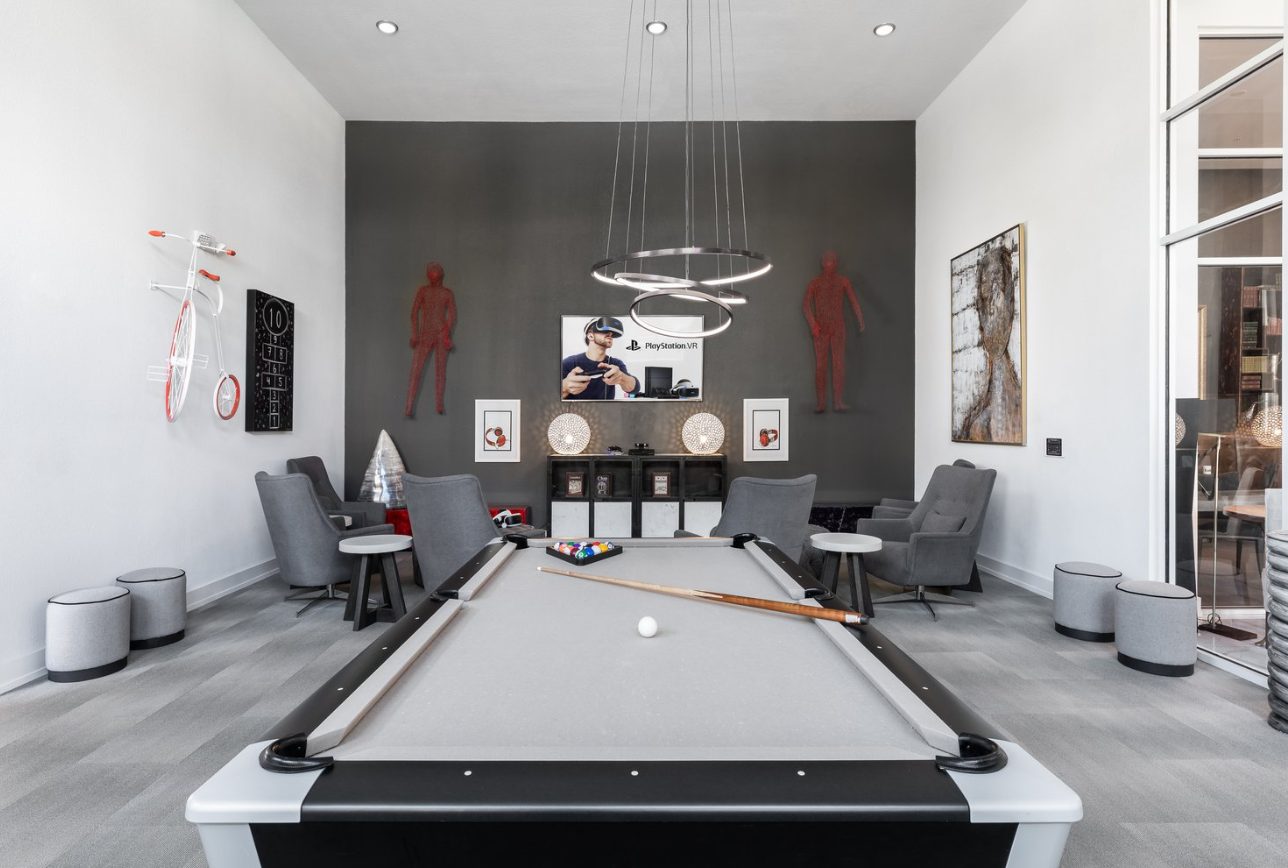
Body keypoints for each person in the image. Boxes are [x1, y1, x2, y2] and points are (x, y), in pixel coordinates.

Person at [803, 250, 865, 412]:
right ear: (822, 263)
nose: (829, 264)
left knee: (839, 364)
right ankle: (821, 403)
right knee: (821, 366)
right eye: (827, 261)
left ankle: (838, 401)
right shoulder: (815, 283)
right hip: (821, 329)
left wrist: (860, 318)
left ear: (836, 264)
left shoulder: (843, 281)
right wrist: (813, 325)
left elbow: (853, 301)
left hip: (838, 327)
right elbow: (806, 305)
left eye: (832, 261)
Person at [404, 262, 457, 416]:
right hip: (426, 334)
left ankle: (438, 404)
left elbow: (452, 316)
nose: (433, 281)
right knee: (417, 370)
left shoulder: (446, 293)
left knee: (440, 371)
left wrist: (446, 332)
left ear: (440, 277)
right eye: (432, 278)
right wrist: (415, 334)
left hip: (439, 333)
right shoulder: (425, 291)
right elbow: (414, 313)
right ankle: (409, 406)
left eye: (435, 278)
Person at [561, 316, 641, 400]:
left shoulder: (615, 364)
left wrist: (622, 378)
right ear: (590, 336)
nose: (610, 335)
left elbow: (634, 389)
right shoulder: (569, 363)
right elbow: (553, 395)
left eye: (612, 334)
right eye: (605, 331)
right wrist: (565, 387)